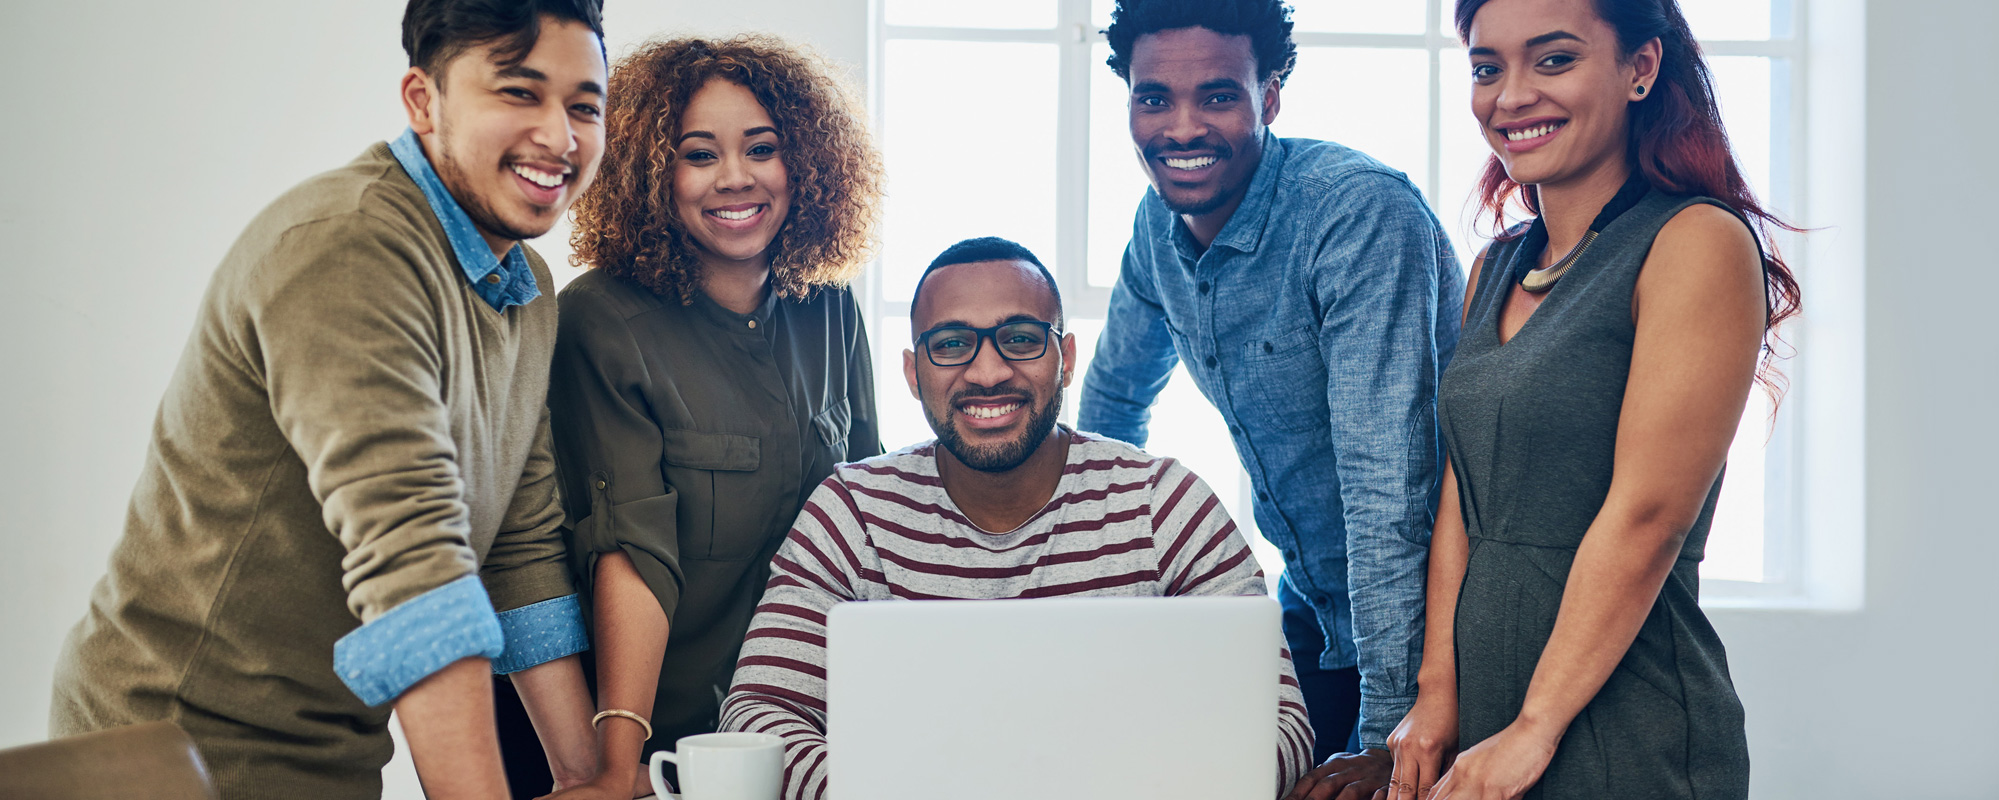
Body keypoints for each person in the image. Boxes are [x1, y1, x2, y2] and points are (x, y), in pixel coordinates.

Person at [48, 2, 613, 798]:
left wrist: (588, 779)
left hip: (332, 754)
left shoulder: (526, 290)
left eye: (584, 105)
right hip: (175, 751)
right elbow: (413, 565)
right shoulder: (346, 247)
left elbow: (517, 550)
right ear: (423, 100)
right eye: (519, 93)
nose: (560, 137)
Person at [717, 237, 1314, 800]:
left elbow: (1279, 726)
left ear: (1067, 357)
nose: (987, 372)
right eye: (951, 344)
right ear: (911, 371)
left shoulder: (1163, 503)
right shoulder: (852, 513)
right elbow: (757, 719)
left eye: (1022, 339)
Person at [1381, 1, 1801, 798]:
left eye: (1553, 60)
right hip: (1488, 723)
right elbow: (1460, 496)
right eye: (1485, 67)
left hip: (1622, 727)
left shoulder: (1694, 242)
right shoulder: (1495, 268)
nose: (1509, 97)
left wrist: (1535, 729)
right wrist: (1437, 693)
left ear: (1640, 68)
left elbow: (1649, 518)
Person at [1079, 0, 1464, 792]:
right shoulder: (1156, 228)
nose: (1180, 128)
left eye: (1217, 95)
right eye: (1153, 98)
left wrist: (1388, 741)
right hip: (1314, 609)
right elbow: (1112, 409)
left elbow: (1384, 485)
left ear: (1271, 95)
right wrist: (1094, 605)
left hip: (1444, 637)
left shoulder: (1354, 214)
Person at [532, 34, 884, 798]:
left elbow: (870, 517)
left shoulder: (828, 308)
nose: (735, 178)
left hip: (799, 732)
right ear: (652, 172)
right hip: (656, 737)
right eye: (699, 154)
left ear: (808, 161)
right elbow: (631, 553)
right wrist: (617, 766)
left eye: (761, 148)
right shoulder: (600, 322)